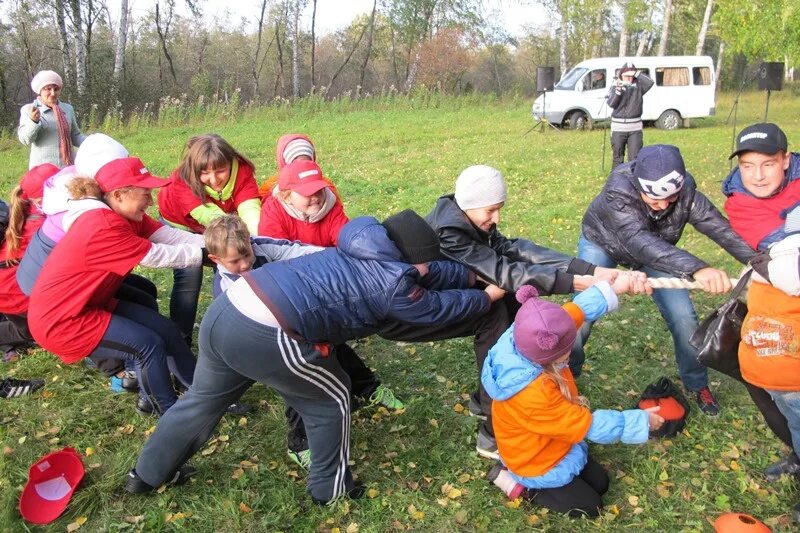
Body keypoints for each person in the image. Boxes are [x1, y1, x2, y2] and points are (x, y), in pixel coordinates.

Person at [126, 210, 505, 504]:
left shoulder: (365, 242)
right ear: (408, 261)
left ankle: (146, 475)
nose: (426, 269)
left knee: (202, 401)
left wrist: (470, 276)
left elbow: (431, 271)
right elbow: (435, 309)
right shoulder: (393, 284)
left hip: (226, 311)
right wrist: (485, 297)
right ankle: (330, 489)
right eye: (423, 264)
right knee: (332, 398)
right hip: (268, 329)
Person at [425, 165, 624, 458]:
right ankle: (492, 433)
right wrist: (576, 281)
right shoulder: (450, 232)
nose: (497, 218)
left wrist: (588, 269)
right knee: (495, 317)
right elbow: (503, 272)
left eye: (499, 209)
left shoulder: (467, 216)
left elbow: (510, 249)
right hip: (431, 305)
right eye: (492, 210)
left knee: (514, 305)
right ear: (470, 203)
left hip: (460, 290)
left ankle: (487, 399)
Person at [573, 144, 755, 416]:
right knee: (582, 310)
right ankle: (566, 375)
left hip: (656, 252)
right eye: (654, 199)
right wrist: (698, 269)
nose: (662, 206)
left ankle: (697, 383)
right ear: (638, 185)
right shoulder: (618, 192)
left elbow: (719, 228)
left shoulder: (685, 192)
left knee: (684, 318)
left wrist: (760, 262)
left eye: (670, 199)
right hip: (604, 242)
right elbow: (638, 241)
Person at [27, 157, 202, 416]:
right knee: (148, 344)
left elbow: (171, 237)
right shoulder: (103, 225)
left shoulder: (124, 213)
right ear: (119, 194)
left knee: (164, 329)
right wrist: (211, 254)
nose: (151, 201)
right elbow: (156, 256)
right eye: (145, 193)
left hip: (90, 302)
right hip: (63, 319)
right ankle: (173, 417)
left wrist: (215, 241)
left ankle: (201, 393)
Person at [259, 159, 404, 466]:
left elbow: (348, 241)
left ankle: (366, 387)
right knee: (303, 365)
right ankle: (298, 441)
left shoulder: (330, 207)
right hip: (289, 297)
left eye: (319, 190)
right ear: (286, 195)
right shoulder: (272, 214)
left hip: (327, 290)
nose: (316, 197)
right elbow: (274, 255)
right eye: (306, 193)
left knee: (334, 341)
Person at [483, 279, 662, 518]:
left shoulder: (528, 335)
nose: (570, 349)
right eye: (566, 349)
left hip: (553, 441)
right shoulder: (533, 394)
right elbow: (586, 424)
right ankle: (517, 484)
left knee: (601, 483)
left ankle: (551, 475)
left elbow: (572, 314)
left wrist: (615, 289)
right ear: (549, 353)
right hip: (533, 459)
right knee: (589, 507)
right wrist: (641, 422)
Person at [16, 134, 164, 395]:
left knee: (144, 292)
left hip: (63, 268)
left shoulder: (89, 186)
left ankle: (145, 361)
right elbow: (140, 250)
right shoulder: (87, 209)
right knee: (89, 316)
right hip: (45, 279)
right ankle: (120, 372)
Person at [722, 123, 799, 485]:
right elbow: (786, 272)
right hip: (772, 313)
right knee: (782, 397)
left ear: (786, 160)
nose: (756, 176)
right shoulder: (740, 204)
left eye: (767, 164)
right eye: (747, 166)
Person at [157, 134, 262, 346]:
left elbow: (250, 208)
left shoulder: (242, 170)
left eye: (220, 170)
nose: (214, 180)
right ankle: (181, 340)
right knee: (189, 276)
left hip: (220, 222)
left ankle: (232, 328)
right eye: (204, 173)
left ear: (231, 161)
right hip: (181, 224)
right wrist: (236, 236)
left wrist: (256, 237)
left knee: (228, 265)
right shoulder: (181, 179)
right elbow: (208, 215)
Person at [0, 164, 59, 362]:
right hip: (14, 293)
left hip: (14, 286)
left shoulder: (32, 209)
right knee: (33, 331)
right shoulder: (42, 225)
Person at [17, 70, 85, 169]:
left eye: (56, 89)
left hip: (67, 168)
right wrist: (33, 121)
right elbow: (25, 140)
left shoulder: (67, 109)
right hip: (42, 171)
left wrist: (94, 141)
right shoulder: (29, 109)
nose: (53, 93)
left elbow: (75, 136)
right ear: (40, 91)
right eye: (48, 89)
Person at [607, 63, 653, 168]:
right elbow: (611, 104)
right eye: (626, 76)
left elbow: (650, 83)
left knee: (635, 158)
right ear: (621, 75)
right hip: (618, 129)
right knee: (618, 158)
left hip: (635, 129)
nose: (629, 79)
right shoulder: (614, 87)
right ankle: (617, 182)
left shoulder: (639, 86)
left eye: (631, 76)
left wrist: (636, 73)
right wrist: (618, 91)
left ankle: (633, 182)